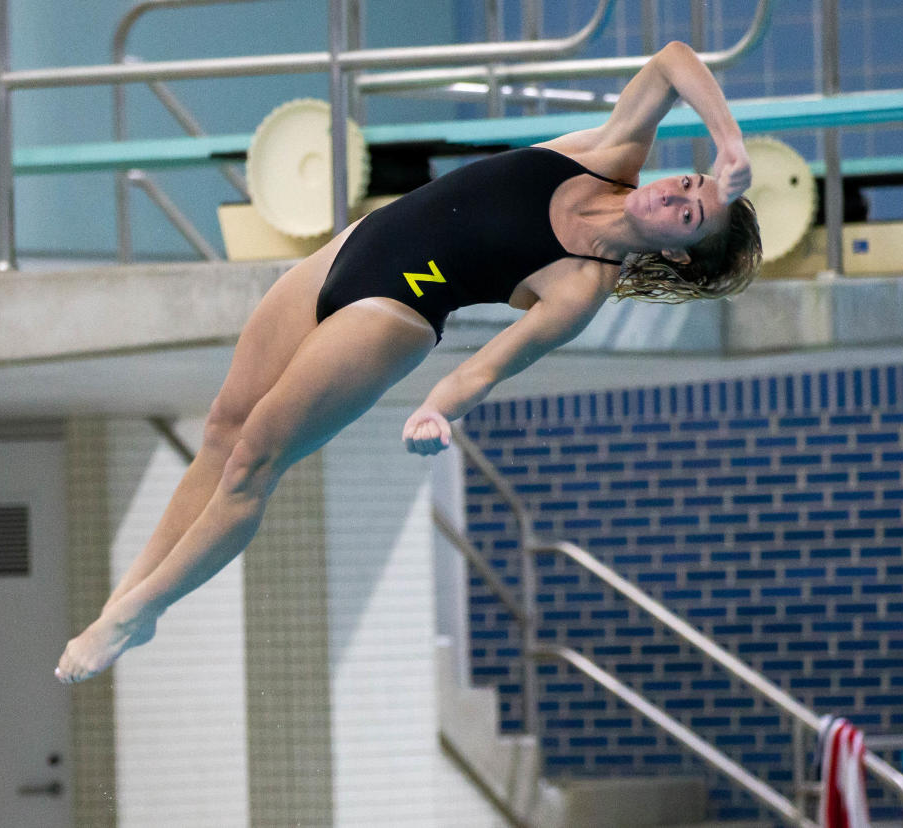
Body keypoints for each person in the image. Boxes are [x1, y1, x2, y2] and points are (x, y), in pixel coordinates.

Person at [55, 40, 762, 684]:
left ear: (674, 252)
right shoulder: (609, 152)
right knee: (221, 427)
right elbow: (673, 61)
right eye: (692, 182)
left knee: (251, 463)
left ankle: (134, 614)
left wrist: (436, 409)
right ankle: (127, 603)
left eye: (691, 215)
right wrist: (729, 143)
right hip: (356, 245)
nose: (676, 194)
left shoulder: (580, 286)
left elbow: (484, 368)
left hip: (394, 312)